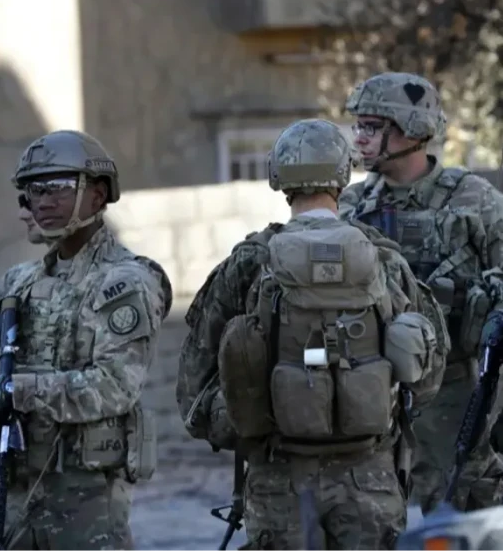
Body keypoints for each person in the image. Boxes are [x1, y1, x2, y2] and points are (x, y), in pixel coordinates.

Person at [0, 129, 173, 550]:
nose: (42, 201)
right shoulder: (18, 282)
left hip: (80, 496)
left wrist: (11, 390)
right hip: (2, 483)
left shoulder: (125, 282)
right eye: (33, 190)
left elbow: (114, 386)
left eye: (57, 187)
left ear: (97, 195)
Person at [177, 118, 450, 550]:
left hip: (278, 483)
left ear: (279, 178)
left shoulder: (249, 263)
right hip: (370, 481)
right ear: (343, 176)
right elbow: (428, 377)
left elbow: (194, 399)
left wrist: (257, 416)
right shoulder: (384, 262)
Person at [338, 72, 503, 513]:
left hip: (451, 394)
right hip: (368, 391)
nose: (359, 138)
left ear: (411, 129)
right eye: (358, 126)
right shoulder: (351, 206)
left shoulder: (475, 201)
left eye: (372, 127)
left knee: (462, 513)